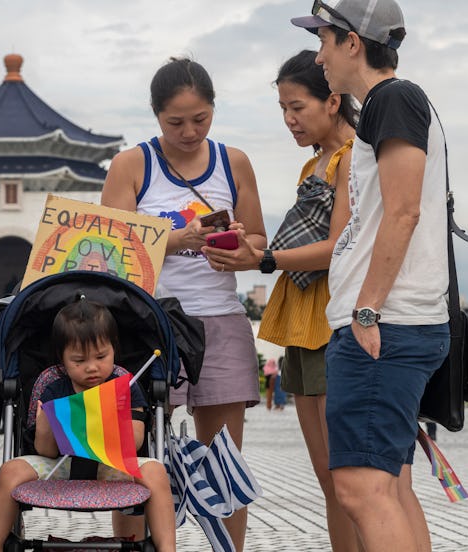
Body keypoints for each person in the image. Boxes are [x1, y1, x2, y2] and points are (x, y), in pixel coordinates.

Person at [291, 2, 450, 551]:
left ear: (353, 42)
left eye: (325, 41)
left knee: (361, 490)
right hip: (395, 323)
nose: (319, 55)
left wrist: (366, 309)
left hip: (385, 325)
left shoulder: (393, 98)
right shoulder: (390, 104)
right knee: (391, 488)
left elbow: (405, 211)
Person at [101, 56, 265, 551]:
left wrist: (237, 244)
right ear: (155, 116)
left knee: (224, 456)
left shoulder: (233, 161)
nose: (190, 131)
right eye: (176, 122)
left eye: (201, 119)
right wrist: (181, 239)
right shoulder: (132, 164)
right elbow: (108, 249)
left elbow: (258, 239)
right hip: (150, 324)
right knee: (133, 453)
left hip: (220, 320)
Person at [202, 49, 360, 550]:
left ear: (332, 100)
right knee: (330, 479)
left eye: (298, 107)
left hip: (335, 320)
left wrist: (263, 261)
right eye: (283, 110)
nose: (290, 120)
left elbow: (339, 247)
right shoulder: (315, 163)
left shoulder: (354, 157)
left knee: (350, 480)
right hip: (305, 322)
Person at [0, 300, 176, 552]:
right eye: (79, 360)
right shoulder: (54, 388)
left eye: (101, 356)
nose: (92, 367)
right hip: (62, 464)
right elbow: (46, 451)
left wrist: (104, 418)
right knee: (9, 471)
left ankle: (167, 548)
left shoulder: (125, 386)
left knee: (157, 472)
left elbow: (135, 442)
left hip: (111, 463)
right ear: (62, 359)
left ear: (113, 350)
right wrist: (46, 424)